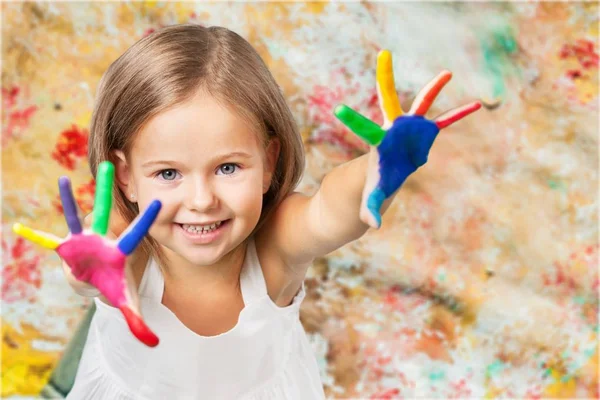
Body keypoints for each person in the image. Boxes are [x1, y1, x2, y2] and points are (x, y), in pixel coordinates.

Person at [47, 23, 479, 400]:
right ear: (125, 176)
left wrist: (377, 169)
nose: (201, 200)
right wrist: (90, 271)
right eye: (168, 173)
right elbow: (100, 264)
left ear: (270, 161)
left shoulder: (275, 248)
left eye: (228, 167)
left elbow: (328, 211)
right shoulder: (129, 242)